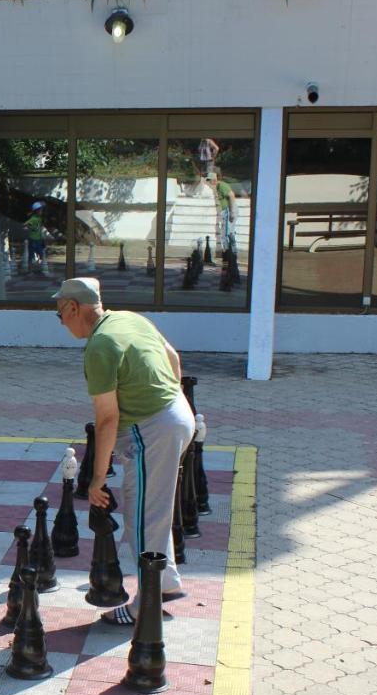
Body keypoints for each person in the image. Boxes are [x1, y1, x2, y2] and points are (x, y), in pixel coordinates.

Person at [53, 277, 194, 625]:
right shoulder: (131, 318)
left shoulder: (100, 346)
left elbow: (106, 419)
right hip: (178, 414)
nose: (61, 322)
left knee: (143, 520)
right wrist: (166, 403)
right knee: (151, 510)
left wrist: (97, 479)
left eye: (60, 315)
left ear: (73, 308)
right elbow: (173, 358)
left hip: (153, 431)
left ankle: (144, 606)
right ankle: (166, 581)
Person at [209, 172, 237, 253]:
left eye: (209, 180)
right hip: (226, 211)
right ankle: (229, 253)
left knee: (227, 233)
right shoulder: (217, 187)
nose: (209, 183)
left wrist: (232, 212)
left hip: (228, 210)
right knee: (226, 233)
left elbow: (231, 195)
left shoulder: (222, 185)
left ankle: (231, 253)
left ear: (214, 180)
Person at [25, 201, 47, 274]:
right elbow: (26, 224)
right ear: (37, 211)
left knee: (40, 254)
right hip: (33, 239)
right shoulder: (34, 218)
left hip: (38, 239)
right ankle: (30, 270)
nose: (42, 211)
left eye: (42, 210)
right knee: (32, 255)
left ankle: (38, 268)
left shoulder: (38, 218)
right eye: (40, 210)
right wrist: (33, 228)